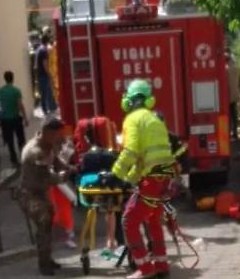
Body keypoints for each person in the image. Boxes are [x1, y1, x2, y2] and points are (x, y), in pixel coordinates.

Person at [109, 80, 176, 279]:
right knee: (153, 220)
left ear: (128, 100)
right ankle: (162, 267)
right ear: (148, 99)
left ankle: (145, 270)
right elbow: (143, 158)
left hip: (152, 179)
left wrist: (116, 174)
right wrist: (130, 178)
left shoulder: (132, 120)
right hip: (163, 178)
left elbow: (131, 151)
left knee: (129, 221)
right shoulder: (155, 120)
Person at [18, 117, 71, 275]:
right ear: (47, 133)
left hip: (41, 193)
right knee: (44, 227)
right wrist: (63, 176)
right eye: (56, 134)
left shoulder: (47, 145)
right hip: (30, 195)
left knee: (48, 226)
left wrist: (71, 168)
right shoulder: (35, 152)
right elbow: (48, 176)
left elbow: (56, 162)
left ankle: (48, 259)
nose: (58, 138)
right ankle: (44, 265)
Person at [73, 116, 120, 254]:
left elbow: (80, 173)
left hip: (91, 194)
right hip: (109, 191)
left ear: (87, 139)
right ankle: (111, 240)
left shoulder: (86, 157)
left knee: (92, 212)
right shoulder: (111, 155)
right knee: (111, 212)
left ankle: (89, 244)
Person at [0, 71, 29, 166]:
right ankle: (23, 157)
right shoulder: (16, 91)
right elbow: (20, 105)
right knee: (20, 138)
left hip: (4, 118)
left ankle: (13, 159)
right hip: (15, 117)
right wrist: (25, 117)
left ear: (4, 79)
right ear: (12, 78)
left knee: (9, 139)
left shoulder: (0, 91)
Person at [34, 34, 57, 114]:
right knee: (47, 92)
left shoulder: (39, 49)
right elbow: (45, 64)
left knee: (43, 92)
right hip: (44, 74)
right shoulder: (44, 51)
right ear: (47, 41)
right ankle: (50, 109)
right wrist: (49, 73)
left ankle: (46, 109)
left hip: (40, 74)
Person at [226, 50, 240, 140]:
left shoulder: (227, 68)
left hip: (226, 96)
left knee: (228, 116)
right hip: (234, 95)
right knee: (233, 115)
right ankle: (235, 133)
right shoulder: (235, 66)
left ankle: (229, 133)